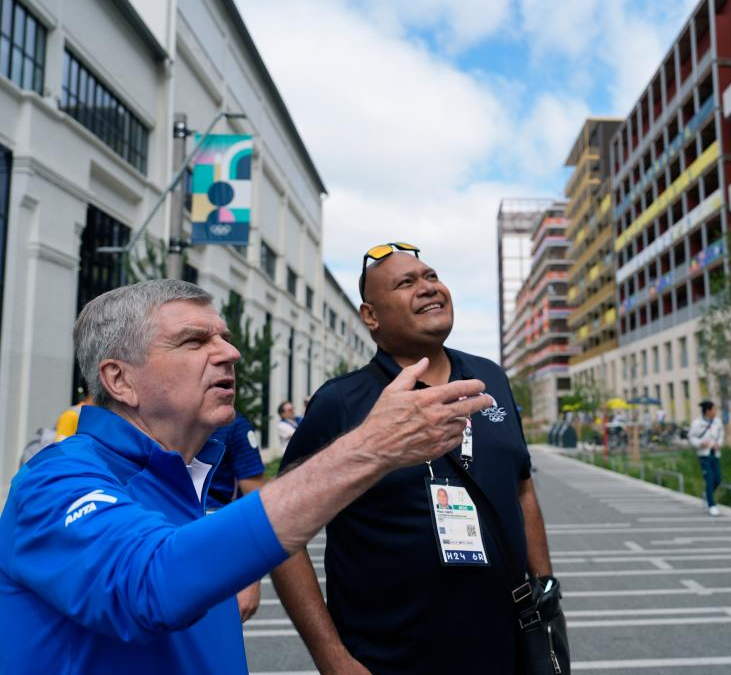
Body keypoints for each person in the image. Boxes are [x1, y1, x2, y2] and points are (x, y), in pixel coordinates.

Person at [0, 279, 493, 673]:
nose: (230, 353)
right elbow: (150, 583)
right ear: (119, 380)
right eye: (194, 341)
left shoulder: (190, 480)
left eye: (225, 338)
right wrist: (370, 448)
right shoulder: (56, 480)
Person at [271, 243, 556, 675]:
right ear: (371, 316)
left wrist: (546, 587)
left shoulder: (489, 376)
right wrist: (333, 661)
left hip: (506, 648)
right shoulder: (342, 402)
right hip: (390, 657)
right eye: (406, 283)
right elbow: (279, 532)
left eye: (431, 276)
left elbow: (522, 488)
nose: (428, 288)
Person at [206, 412, 268, 622]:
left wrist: (251, 578)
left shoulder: (232, 425)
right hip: (163, 547)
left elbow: (257, 504)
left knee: (216, 645)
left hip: (218, 544)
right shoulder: (151, 418)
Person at [689, 399, 724, 516]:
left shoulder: (717, 422)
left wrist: (719, 443)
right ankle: (711, 505)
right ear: (708, 411)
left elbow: (721, 435)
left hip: (715, 453)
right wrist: (700, 443)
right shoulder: (697, 423)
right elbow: (692, 437)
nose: (715, 411)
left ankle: (707, 494)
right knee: (709, 479)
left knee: (717, 479)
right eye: (714, 409)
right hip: (704, 454)